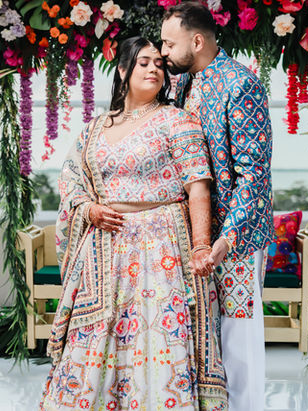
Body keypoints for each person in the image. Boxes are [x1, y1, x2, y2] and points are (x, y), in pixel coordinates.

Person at [40, 36, 227, 410]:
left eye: (159, 63)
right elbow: (71, 180)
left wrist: (201, 246)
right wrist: (90, 209)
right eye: (143, 62)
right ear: (123, 70)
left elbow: (198, 187)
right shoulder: (96, 127)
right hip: (104, 250)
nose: (154, 69)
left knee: (156, 337)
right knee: (96, 335)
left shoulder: (177, 120)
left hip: (161, 250)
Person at [161, 2, 274, 410]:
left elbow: (254, 176)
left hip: (237, 239)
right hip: (194, 236)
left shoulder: (240, 85)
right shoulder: (182, 85)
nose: (163, 51)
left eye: (169, 43)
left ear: (197, 39)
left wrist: (228, 238)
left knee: (238, 339)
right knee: (199, 336)